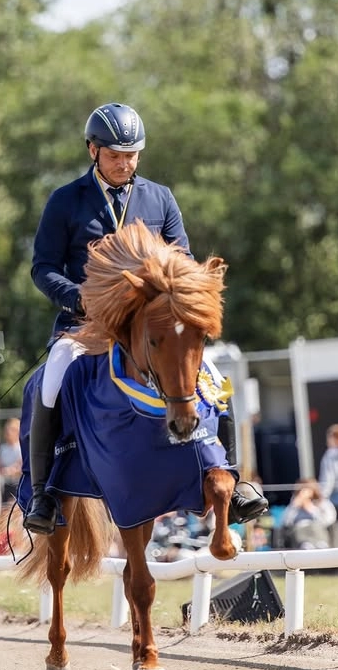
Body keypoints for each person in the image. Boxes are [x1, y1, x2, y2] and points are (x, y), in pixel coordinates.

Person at [24, 101, 268, 534]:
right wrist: (79, 298)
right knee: (53, 376)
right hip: (87, 324)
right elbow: (43, 268)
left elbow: (184, 258)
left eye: (132, 155)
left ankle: (234, 479)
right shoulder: (66, 201)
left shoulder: (160, 197)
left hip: (152, 327)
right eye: (115, 155)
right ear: (92, 150)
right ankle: (44, 492)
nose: (124, 163)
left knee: (214, 376)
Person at [282, 478, 337, 550]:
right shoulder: (294, 504)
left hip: (318, 528)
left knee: (320, 543)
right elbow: (286, 522)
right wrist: (294, 506)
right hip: (300, 529)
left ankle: (321, 548)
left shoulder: (323, 503)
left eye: (306, 489)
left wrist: (311, 509)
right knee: (305, 544)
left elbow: (330, 520)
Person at [0, 417, 22, 515]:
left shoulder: (21, 448)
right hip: (6, 484)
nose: (9, 432)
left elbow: (20, 466)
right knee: (4, 512)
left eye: (12, 430)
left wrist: (10, 470)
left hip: (18, 485)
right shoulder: (3, 449)